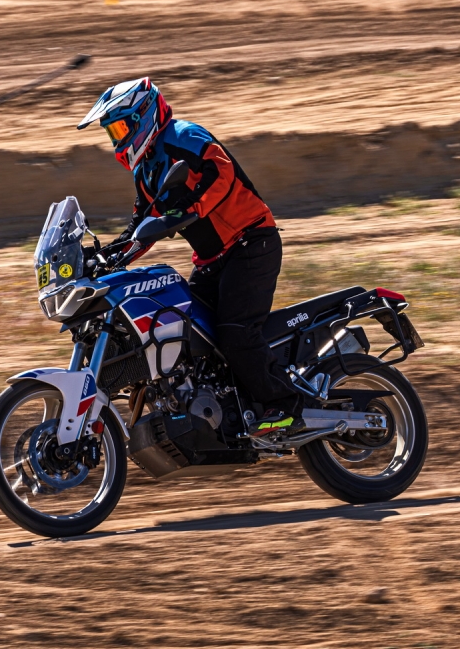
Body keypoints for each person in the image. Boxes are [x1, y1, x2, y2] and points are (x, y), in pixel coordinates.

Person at [76, 78, 303, 437]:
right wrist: (104, 259)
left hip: (250, 243)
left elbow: (221, 170)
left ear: (142, 117)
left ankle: (286, 405)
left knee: (234, 332)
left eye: (120, 129)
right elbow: (142, 227)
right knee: (187, 332)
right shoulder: (146, 170)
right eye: (112, 133)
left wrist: (191, 209)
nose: (117, 140)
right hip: (211, 261)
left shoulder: (182, 136)